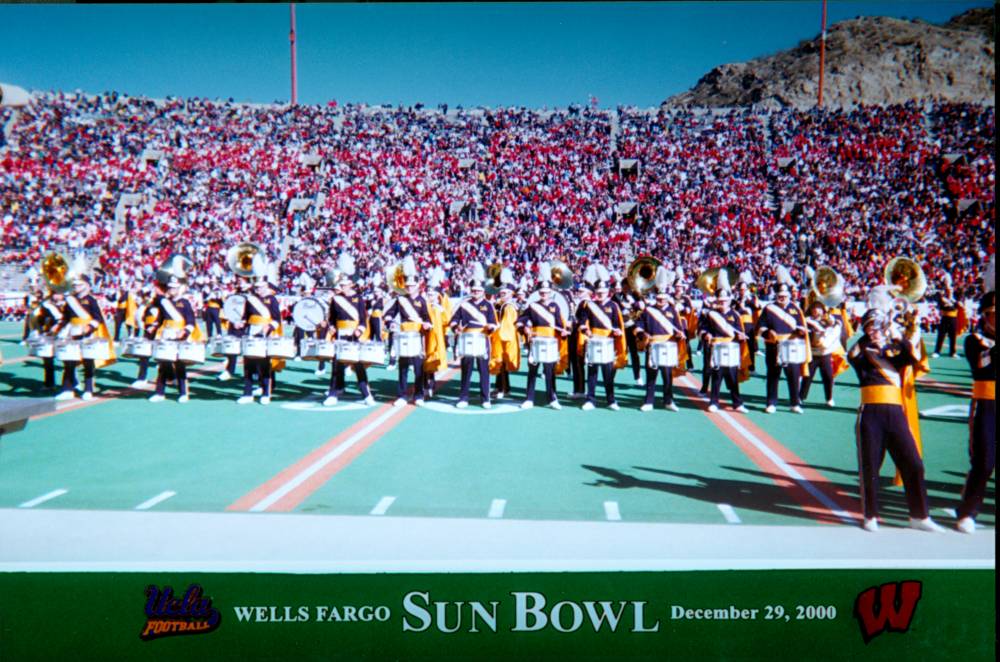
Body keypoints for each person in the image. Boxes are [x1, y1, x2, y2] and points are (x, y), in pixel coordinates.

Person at [847, 308, 943, 533]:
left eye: (878, 325)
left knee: (913, 464)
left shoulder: (894, 349)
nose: (875, 330)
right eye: (871, 325)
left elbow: (910, 357)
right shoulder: (862, 351)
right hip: (871, 413)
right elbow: (852, 355)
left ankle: (919, 515)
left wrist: (895, 333)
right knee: (871, 466)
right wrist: (870, 334)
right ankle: (870, 514)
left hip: (896, 413)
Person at [955, 290, 995, 533]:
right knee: (984, 460)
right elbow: (981, 364)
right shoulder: (975, 340)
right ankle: (968, 512)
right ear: (985, 316)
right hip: (986, 403)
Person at [52, 268, 116, 401]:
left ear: (86, 285)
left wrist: (89, 327)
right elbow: (66, 317)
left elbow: (98, 318)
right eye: (74, 285)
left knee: (88, 362)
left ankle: (88, 389)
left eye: (79, 284)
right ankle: (68, 389)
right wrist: (59, 328)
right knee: (69, 361)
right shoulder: (70, 300)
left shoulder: (91, 300)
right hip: (72, 332)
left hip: (87, 334)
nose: (76, 287)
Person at [323, 259, 376, 407]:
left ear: (351, 284)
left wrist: (360, 329)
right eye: (341, 285)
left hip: (355, 335)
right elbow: (332, 319)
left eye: (345, 285)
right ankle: (333, 393)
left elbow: (363, 319)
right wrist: (332, 327)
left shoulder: (358, 298)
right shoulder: (335, 299)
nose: (342, 287)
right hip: (340, 335)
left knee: (358, 365)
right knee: (336, 365)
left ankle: (366, 394)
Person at [634, 267, 686, 412]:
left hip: (668, 346)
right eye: (658, 298)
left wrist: (679, 335)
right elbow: (638, 325)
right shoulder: (648, 311)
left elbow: (678, 328)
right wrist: (642, 334)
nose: (661, 300)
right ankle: (648, 401)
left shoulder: (672, 311)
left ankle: (668, 401)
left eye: (663, 298)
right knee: (651, 376)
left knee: (667, 376)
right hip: (653, 346)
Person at [383, 257, 433, 406]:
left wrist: (427, 324)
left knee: (418, 369)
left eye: (412, 285)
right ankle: (402, 395)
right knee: (403, 368)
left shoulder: (422, 301)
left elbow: (427, 318)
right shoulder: (400, 299)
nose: (410, 288)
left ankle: (418, 395)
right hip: (404, 336)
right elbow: (389, 314)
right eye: (408, 285)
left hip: (417, 337)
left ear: (418, 286)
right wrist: (390, 322)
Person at [518, 265, 568, 410]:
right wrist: (525, 328)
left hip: (550, 343)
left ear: (550, 292)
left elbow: (559, 325)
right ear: (539, 293)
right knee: (532, 371)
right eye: (542, 292)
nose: (544, 294)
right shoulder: (532, 306)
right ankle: (529, 398)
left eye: (546, 292)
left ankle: (552, 398)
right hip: (536, 342)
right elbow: (520, 321)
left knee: (549, 372)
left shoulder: (555, 306)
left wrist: (563, 333)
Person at [578, 265, 626, 411]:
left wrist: (617, 332)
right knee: (592, 372)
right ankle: (590, 399)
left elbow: (617, 324)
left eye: (603, 292)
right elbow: (582, 320)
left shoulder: (613, 306)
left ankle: (611, 400)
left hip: (607, 342)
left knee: (608, 373)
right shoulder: (589, 305)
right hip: (593, 341)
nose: (601, 294)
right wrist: (585, 329)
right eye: (598, 292)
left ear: (608, 292)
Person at [756, 282, 808, 414]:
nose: (782, 298)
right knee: (773, 375)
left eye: (785, 295)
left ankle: (795, 403)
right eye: (780, 295)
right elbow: (760, 327)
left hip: (791, 346)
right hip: (774, 346)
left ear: (789, 295)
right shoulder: (769, 308)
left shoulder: (796, 309)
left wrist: (800, 331)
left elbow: (802, 326)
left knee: (793, 376)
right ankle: (771, 402)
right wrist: (768, 333)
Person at [148, 274, 201, 403]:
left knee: (179, 365)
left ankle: (183, 393)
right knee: (163, 364)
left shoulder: (185, 302)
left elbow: (191, 321)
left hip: (180, 336)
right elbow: (161, 319)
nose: (171, 290)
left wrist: (184, 331)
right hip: (166, 335)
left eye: (173, 288)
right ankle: (160, 392)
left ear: (178, 289)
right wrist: (154, 326)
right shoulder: (165, 303)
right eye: (169, 288)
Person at [451, 266, 498, 409]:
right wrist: (456, 328)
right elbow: (453, 320)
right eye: (474, 290)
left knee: (484, 370)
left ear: (483, 291)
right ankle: (463, 397)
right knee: (466, 370)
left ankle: (485, 398)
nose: (476, 292)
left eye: (478, 290)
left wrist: (491, 327)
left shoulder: (488, 305)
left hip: (482, 339)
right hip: (467, 339)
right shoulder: (464, 305)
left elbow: (494, 323)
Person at [236, 266, 283, 405]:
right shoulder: (250, 299)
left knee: (264, 364)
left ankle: (266, 393)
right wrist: (241, 323)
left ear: (266, 287)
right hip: (251, 333)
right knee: (248, 364)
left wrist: (269, 326)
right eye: (257, 288)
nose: (259, 290)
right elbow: (246, 316)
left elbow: (277, 319)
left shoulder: (272, 300)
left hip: (266, 334)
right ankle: (247, 393)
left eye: (261, 287)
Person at [698, 287, 749, 413]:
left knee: (733, 378)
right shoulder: (711, 314)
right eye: (720, 300)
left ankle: (737, 403)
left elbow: (740, 331)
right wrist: (706, 335)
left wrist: (741, 336)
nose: (723, 302)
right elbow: (702, 329)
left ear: (729, 301)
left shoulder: (735, 315)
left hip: (731, 348)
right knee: (716, 376)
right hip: (717, 348)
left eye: (725, 300)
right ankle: (714, 402)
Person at [799, 300, 846, 407]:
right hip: (813, 354)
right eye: (814, 308)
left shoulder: (829, 319)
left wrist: (831, 323)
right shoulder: (807, 320)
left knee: (828, 377)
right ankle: (801, 397)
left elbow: (836, 327)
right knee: (807, 376)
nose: (816, 310)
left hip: (825, 354)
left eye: (819, 308)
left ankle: (829, 398)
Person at [489, 273, 520, 400]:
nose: (502, 295)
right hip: (501, 336)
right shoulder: (501, 304)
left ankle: (504, 388)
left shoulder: (509, 307)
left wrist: (495, 330)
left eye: (505, 293)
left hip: (505, 337)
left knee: (502, 363)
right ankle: (499, 386)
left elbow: (506, 325)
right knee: (500, 362)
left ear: (511, 294)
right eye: (501, 293)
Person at [932, 279, 961, 358]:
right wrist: (948, 302)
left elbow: (959, 306)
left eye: (950, 291)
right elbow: (943, 306)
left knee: (953, 336)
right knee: (941, 335)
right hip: (945, 318)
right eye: (947, 291)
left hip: (953, 319)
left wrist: (952, 301)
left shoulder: (955, 299)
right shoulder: (942, 299)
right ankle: (937, 351)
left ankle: (953, 352)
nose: (949, 292)